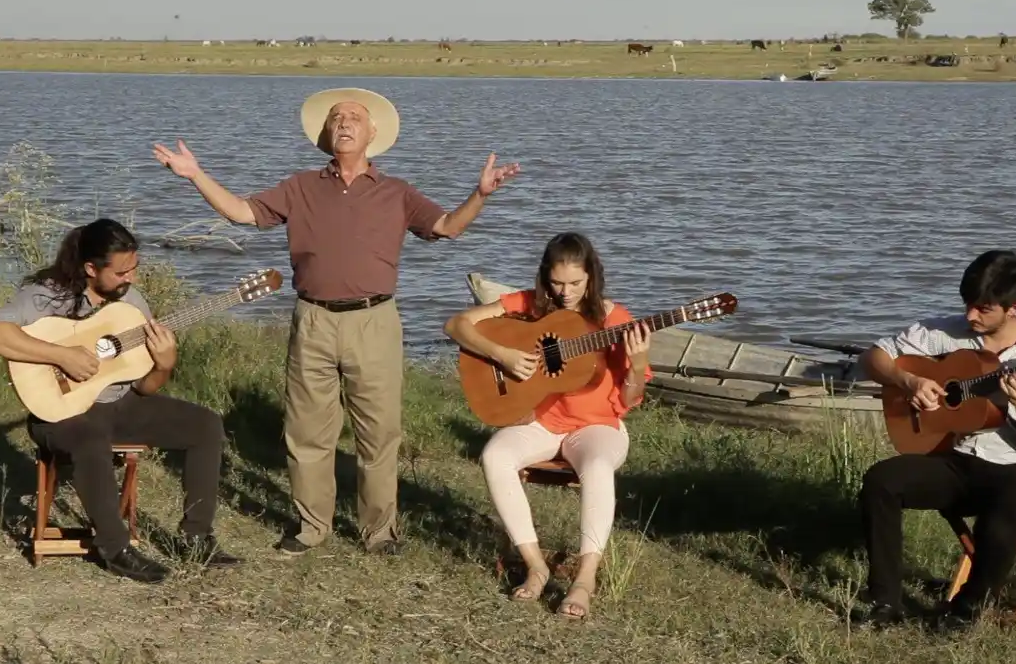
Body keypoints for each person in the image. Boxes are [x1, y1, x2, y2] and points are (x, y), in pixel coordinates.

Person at [152, 87, 520, 556]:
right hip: (313, 320)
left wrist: (480, 194)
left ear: (372, 133)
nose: (343, 123)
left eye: (353, 117)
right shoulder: (300, 186)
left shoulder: (397, 192)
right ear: (327, 134)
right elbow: (241, 212)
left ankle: (379, 532)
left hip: (375, 321)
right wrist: (194, 175)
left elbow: (448, 226)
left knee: (379, 432)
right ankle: (311, 527)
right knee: (306, 430)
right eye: (335, 118)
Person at [0, 218, 240, 583]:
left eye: (134, 268)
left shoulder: (131, 304)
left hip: (120, 405)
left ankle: (196, 538)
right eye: (120, 272)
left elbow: (144, 386)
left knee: (205, 425)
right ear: (90, 268)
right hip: (59, 412)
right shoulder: (45, 296)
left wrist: (165, 365)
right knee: (90, 439)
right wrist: (60, 355)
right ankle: (115, 549)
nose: (130, 278)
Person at [855, 249, 1016, 629]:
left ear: (1015, 307)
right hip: (955, 460)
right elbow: (872, 357)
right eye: (968, 305)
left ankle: (966, 612)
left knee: (1005, 511)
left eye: (984, 309)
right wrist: (910, 381)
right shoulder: (945, 331)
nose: (971, 316)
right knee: (882, 481)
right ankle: (885, 603)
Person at [443, 232, 652, 621]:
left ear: (592, 277)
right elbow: (457, 325)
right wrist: (502, 353)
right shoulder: (530, 305)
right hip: (543, 423)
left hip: (598, 427)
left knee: (597, 467)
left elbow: (627, 400)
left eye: (575, 283)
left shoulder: (614, 319)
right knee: (496, 455)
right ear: (545, 277)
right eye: (557, 283)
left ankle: (585, 579)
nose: (566, 292)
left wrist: (637, 364)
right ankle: (535, 565)